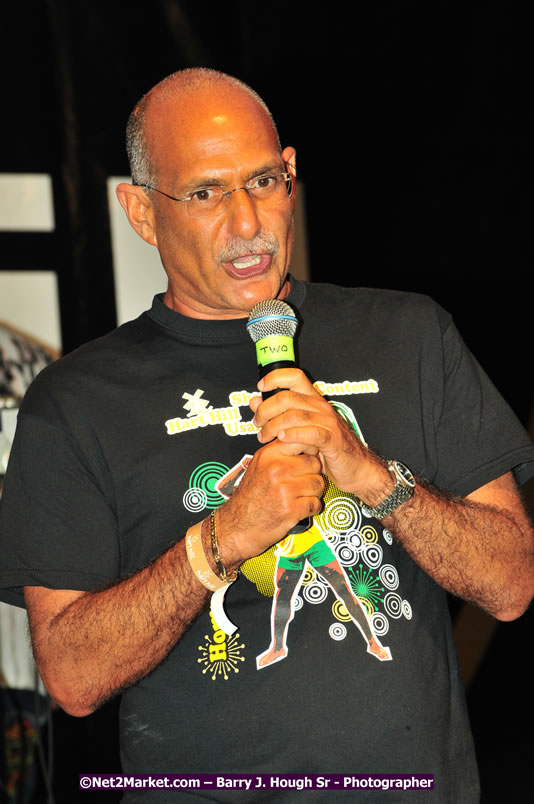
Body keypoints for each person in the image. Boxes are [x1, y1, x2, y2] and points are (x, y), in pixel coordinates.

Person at [0, 68, 533, 802]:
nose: (247, 224)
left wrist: (371, 476)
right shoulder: (77, 403)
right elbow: (72, 677)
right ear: (142, 212)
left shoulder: (410, 334)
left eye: (262, 182)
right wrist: (223, 538)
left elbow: (511, 585)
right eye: (205, 193)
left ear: (291, 175)